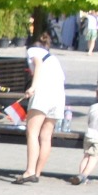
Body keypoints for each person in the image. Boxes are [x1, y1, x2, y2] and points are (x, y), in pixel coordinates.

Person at [19, 30, 66, 184]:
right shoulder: (53, 59)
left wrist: (33, 87)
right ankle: (37, 173)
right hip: (58, 96)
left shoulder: (33, 51)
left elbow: (37, 65)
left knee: (32, 133)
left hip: (43, 94)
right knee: (46, 137)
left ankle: (29, 171)